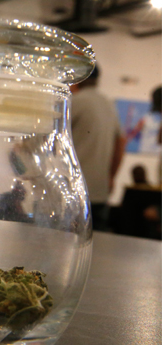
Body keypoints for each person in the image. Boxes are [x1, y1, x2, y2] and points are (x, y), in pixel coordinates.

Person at [70, 65, 126, 231]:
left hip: (73, 192)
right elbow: (120, 143)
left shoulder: (75, 101)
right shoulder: (109, 104)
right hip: (99, 191)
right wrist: (111, 177)